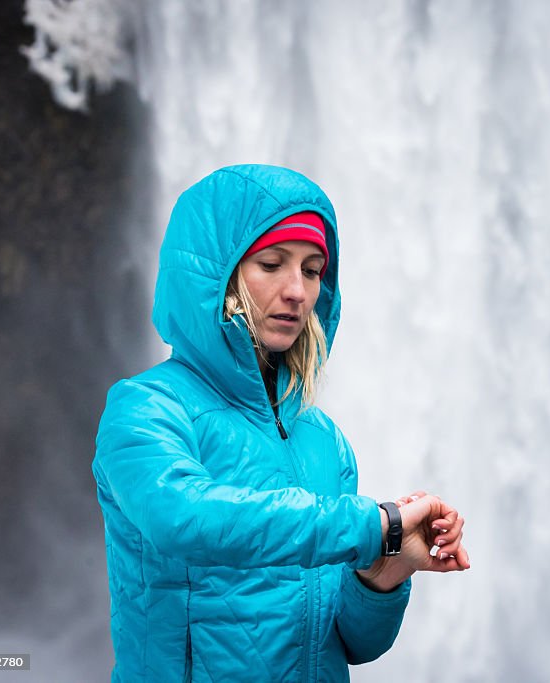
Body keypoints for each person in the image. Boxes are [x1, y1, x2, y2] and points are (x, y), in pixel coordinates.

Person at [92, 164, 470, 682]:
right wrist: (368, 525)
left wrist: (382, 572)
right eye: (271, 264)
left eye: (313, 271)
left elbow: (353, 645)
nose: (297, 290)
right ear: (215, 275)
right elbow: (180, 515)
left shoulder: (325, 440)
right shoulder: (146, 407)